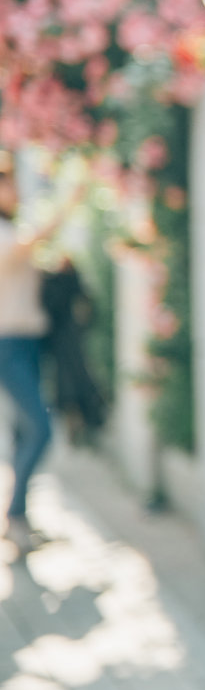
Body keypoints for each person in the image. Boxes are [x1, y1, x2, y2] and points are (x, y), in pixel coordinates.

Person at [0, 163, 74, 554]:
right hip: (8, 344)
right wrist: (69, 205)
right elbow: (29, 243)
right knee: (40, 429)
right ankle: (13, 514)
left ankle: (20, 519)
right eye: (8, 181)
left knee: (21, 432)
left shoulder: (9, 229)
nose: (15, 188)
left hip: (26, 343)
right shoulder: (4, 234)